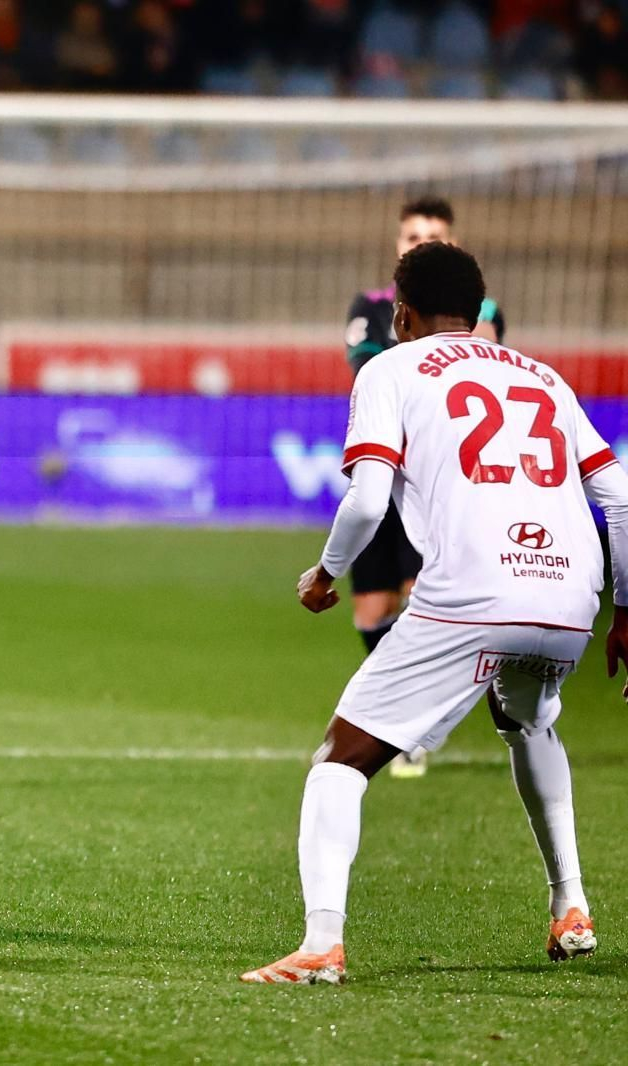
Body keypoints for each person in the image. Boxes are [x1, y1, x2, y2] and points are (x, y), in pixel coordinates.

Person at [241, 241, 626, 984]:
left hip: (473, 592)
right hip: (571, 596)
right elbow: (622, 498)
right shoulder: (544, 376)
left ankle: (321, 946)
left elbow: (367, 498)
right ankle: (570, 904)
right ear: (481, 311)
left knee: (338, 764)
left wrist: (327, 574)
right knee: (528, 719)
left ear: (401, 314)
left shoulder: (389, 367)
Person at [343, 196, 506, 778]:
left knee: (424, 596)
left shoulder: (483, 308)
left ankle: (409, 727)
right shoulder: (370, 304)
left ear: (452, 243)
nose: (418, 241)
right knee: (371, 608)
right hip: (382, 467)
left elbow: (482, 359)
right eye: (411, 233)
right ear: (396, 243)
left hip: (439, 480)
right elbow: (364, 359)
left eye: (431, 234)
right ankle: (411, 720)